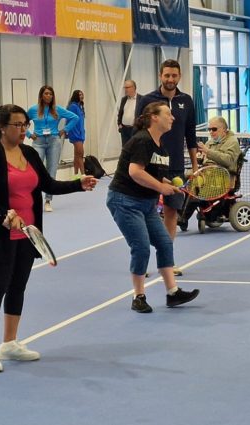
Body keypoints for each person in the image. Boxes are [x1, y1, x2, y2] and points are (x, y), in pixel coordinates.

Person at [0, 104, 98, 373]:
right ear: (1, 127)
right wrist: (4, 213)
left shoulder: (28, 153)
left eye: (24, 124)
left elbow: (47, 185)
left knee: (17, 288)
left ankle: (9, 343)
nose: (22, 129)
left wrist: (79, 183)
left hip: (28, 234)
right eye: (17, 125)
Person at [106, 101, 200, 313]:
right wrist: (160, 187)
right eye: (168, 114)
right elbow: (135, 172)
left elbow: (153, 174)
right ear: (154, 117)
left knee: (165, 242)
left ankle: (173, 293)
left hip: (146, 203)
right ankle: (138, 297)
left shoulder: (161, 147)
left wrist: (166, 184)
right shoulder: (142, 140)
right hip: (125, 201)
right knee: (140, 247)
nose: (173, 117)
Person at [136, 60, 199, 276]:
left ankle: (167, 261)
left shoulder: (187, 101)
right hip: (151, 168)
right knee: (145, 212)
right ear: (160, 76)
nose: (170, 79)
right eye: (167, 75)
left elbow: (191, 135)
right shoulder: (147, 100)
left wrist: (196, 165)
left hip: (176, 168)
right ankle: (141, 263)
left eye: (174, 75)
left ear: (180, 76)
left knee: (172, 213)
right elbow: (138, 133)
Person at [27, 85, 79, 212]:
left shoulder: (57, 110)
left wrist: (64, 130)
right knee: (35, 170)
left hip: (53, 141)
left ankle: (48, 200)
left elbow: (75, 118)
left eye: (50, 94)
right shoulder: (33, 110)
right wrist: (29, 134)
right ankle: (34, 199)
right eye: (46, 93)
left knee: (51, 170)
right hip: (38, 141)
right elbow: (23, 122)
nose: (48, 96)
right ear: (41, 95)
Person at [117, 80, 143, 146]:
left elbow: (144, 115)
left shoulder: (141, 99)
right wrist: (119, 124)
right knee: (125, 149)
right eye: (124, 88)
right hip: (124, 129)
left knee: (135, 149)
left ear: (134, 88)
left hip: (135, 129)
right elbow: (120, 113)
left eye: (127, 87)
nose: (125, 90)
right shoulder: (124, 99)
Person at [67, 90, 86, 175]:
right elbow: (70, 120)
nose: (81, 96)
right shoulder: (73, 106)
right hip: (75, 134)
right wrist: (74, 132)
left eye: (82, 94)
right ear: (76, 96)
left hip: (81, 133)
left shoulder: (80, 106)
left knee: (77, 155)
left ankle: (75, 175)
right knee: (80, 155)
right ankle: (83, 175)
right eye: (79, 95)